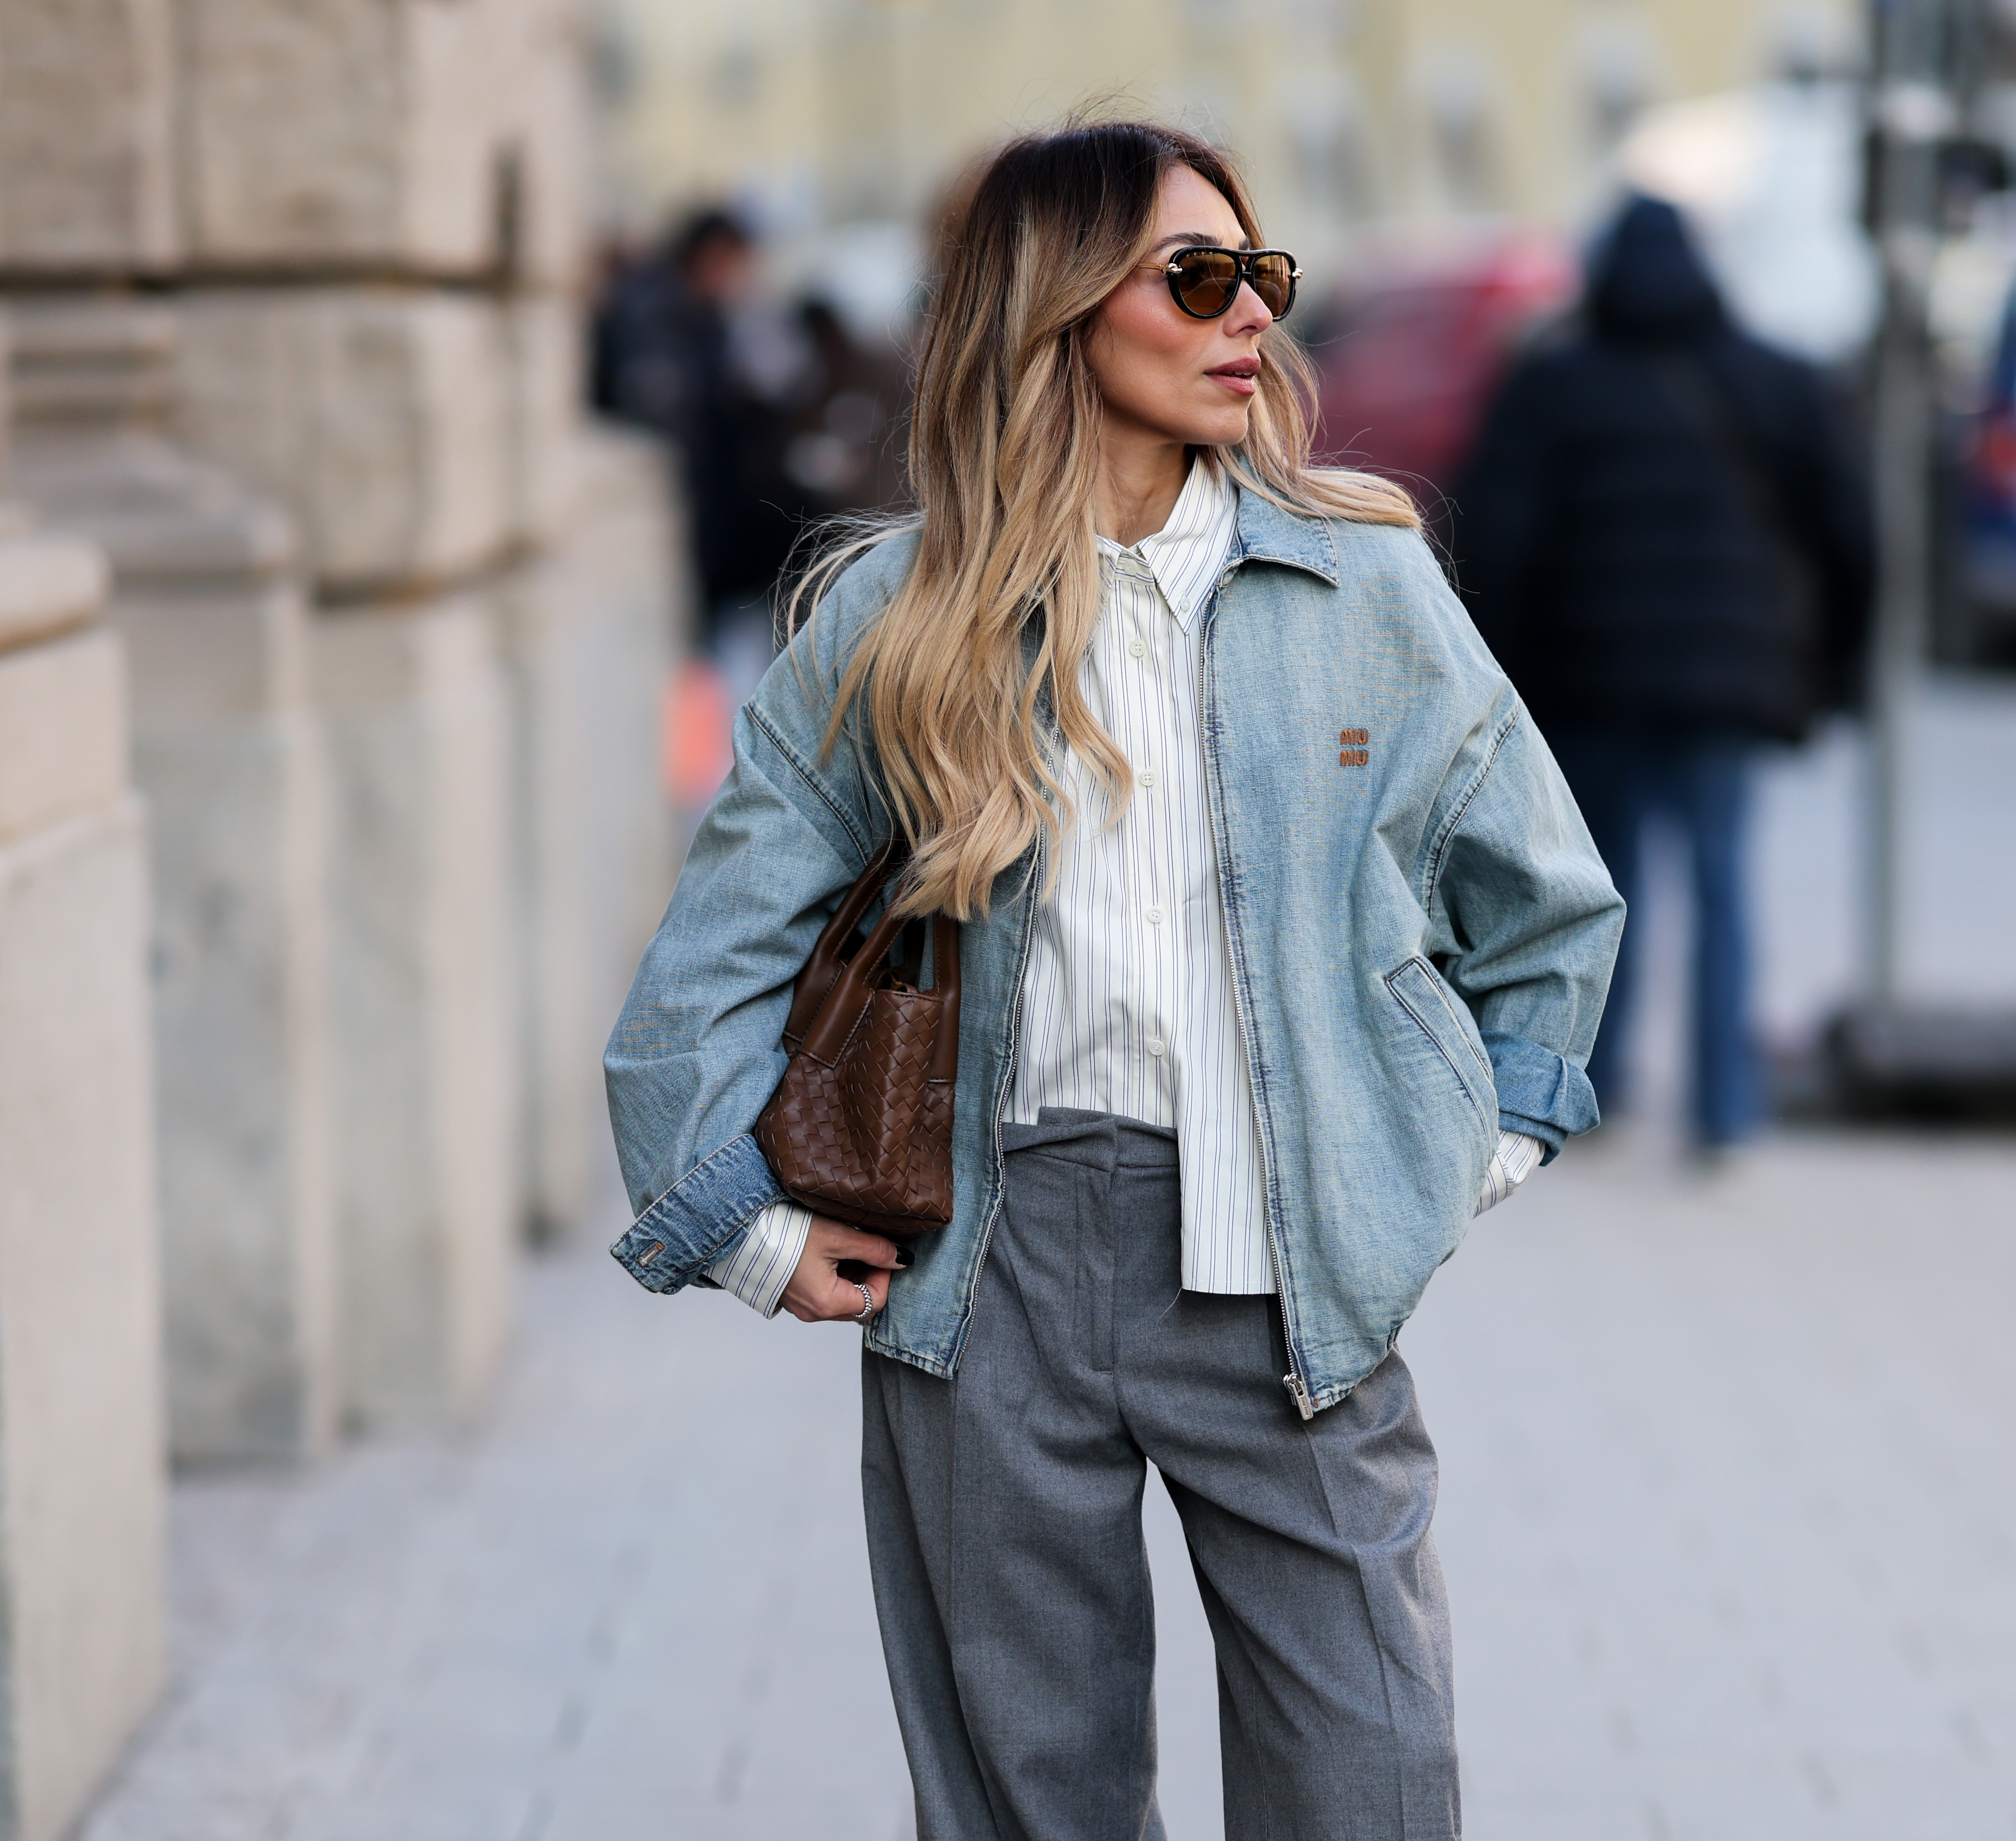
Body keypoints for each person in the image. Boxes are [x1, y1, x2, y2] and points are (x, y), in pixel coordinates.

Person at [603, 120, 1623, 1839]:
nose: (1251, 319)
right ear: (1059, 310)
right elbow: (702, 970)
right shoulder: (895, 619)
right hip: (991, 1261)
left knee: (1368, 1774)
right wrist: (755, 1229)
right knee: (1029, 1799)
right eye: (1198, 278)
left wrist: (1457, 1154)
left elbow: (1548, 916)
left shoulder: (1362, 579)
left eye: (1263, 277)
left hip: (1295, 1259)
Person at [1450, 192, 1872, 1159]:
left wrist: (1495, 685)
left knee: (1602, 889)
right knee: (1724, 883)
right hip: (1729, 684)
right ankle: (1724, 1112)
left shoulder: (1553, 384)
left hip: (1588, 679)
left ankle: (1596, 1093)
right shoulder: (1775, 379)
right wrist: (1835, 667)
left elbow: (1490, 541)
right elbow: (1853, 534)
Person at [590, 206, 817, 699]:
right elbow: (663, 418)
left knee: (711, 664)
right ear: (712, 256)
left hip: (710, 524)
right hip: (676, 524)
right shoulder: (651, 317)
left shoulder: (710, 318)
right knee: (685, 670)